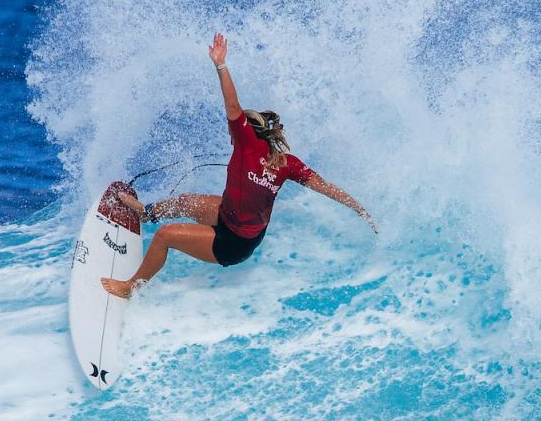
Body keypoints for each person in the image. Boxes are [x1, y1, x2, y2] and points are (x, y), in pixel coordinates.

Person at [101, 34, 376, 299]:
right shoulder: (287, 163)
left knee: (164, 237)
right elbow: (326, 188)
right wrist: (359, 209)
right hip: (231, 218)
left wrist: (221, 65)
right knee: (184, 202)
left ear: (248, 132)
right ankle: (145, 213)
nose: (231, 132)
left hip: (233, 244)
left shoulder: (247, 144)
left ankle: (130, 288)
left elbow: (232, 106)